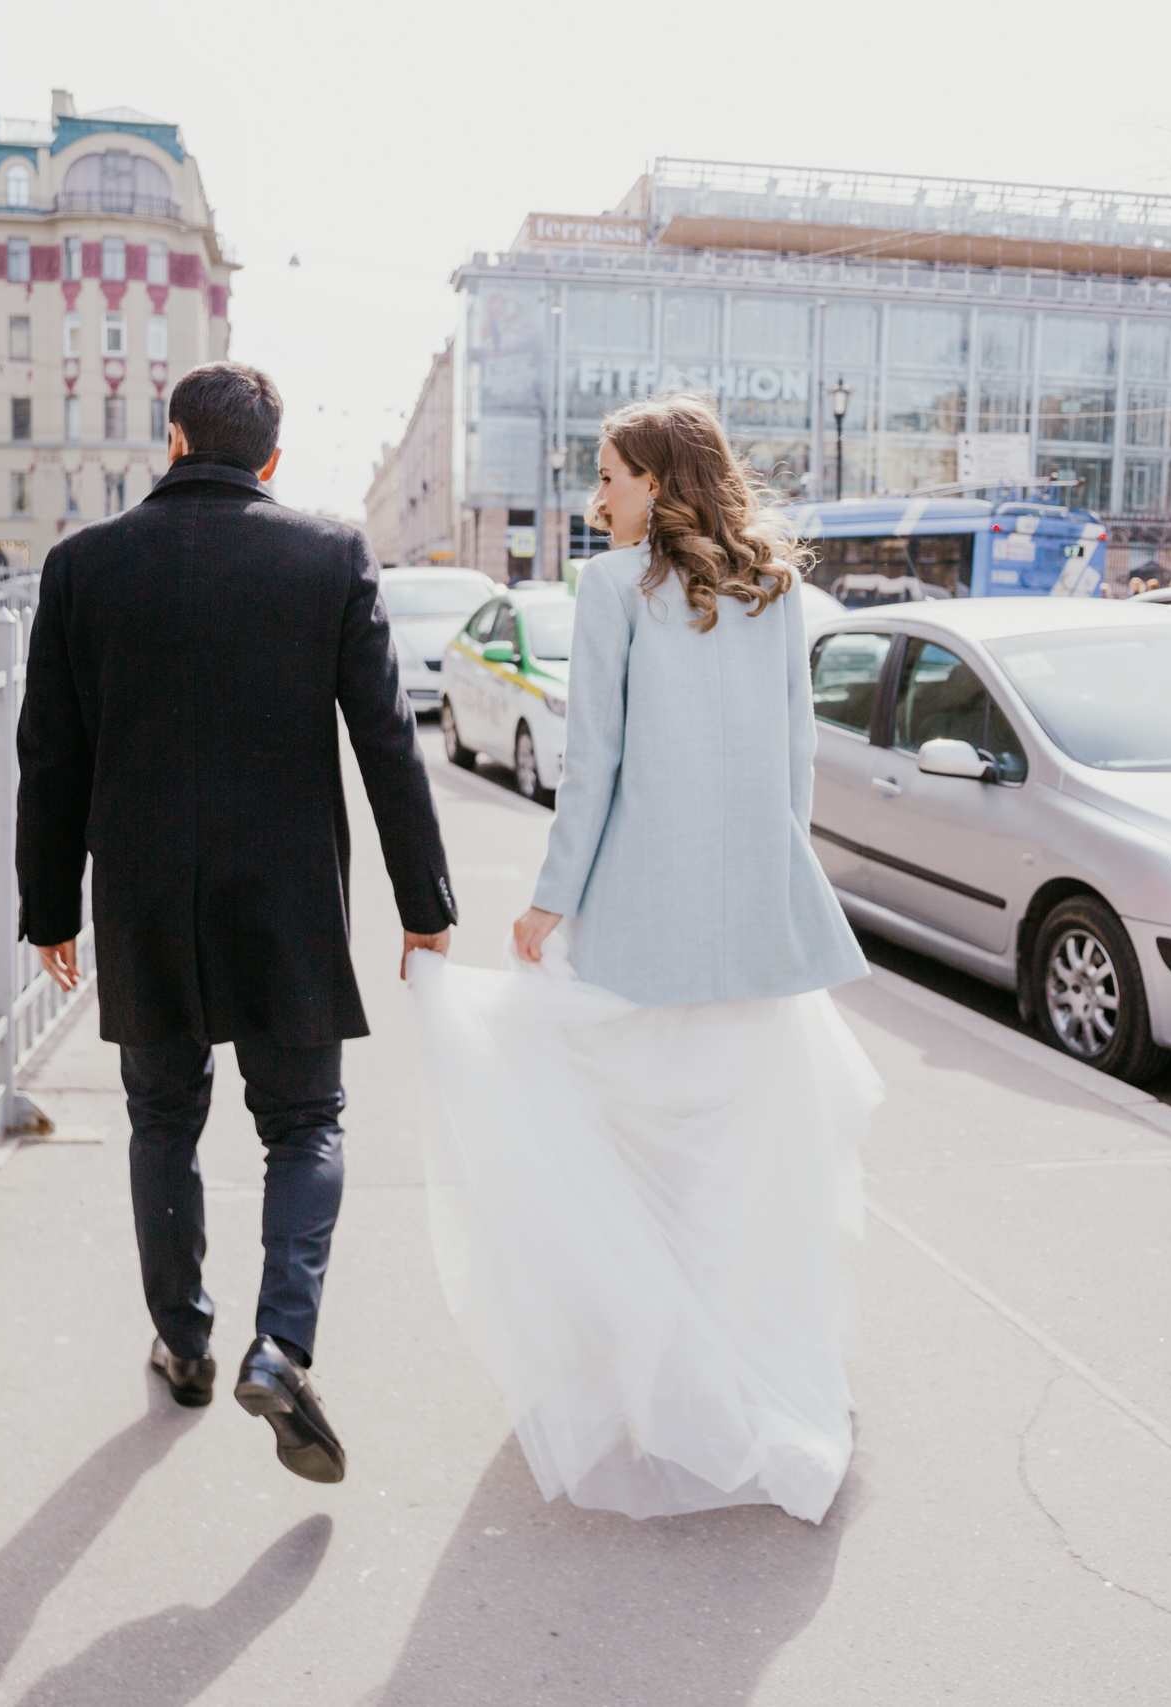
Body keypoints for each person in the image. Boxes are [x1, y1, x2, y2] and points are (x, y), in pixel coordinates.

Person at [408, 393, 881, 1525]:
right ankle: (731, 1384)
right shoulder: (778, 593)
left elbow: (596, 767)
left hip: (637, 928)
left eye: (611, 477)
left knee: (624, 1158)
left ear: (658, 484)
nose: (596, 498)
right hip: (755, 934)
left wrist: (546, 903)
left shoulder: (614, 590)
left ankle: (671, 1392)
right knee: (732, 1177)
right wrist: (778, 890)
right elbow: (793, 766)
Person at [16, 361, 456, 1484]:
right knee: (303, 1125)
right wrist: (425, 904)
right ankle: (282, 1343)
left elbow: (51, 756)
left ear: (171, 441)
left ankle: (189, 1341)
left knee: (163, 1120)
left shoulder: (81, 567)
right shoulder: (327, 556)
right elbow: (387, 741)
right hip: (289, 897)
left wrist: (48, 906)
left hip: (146, 896)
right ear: (271, 458)